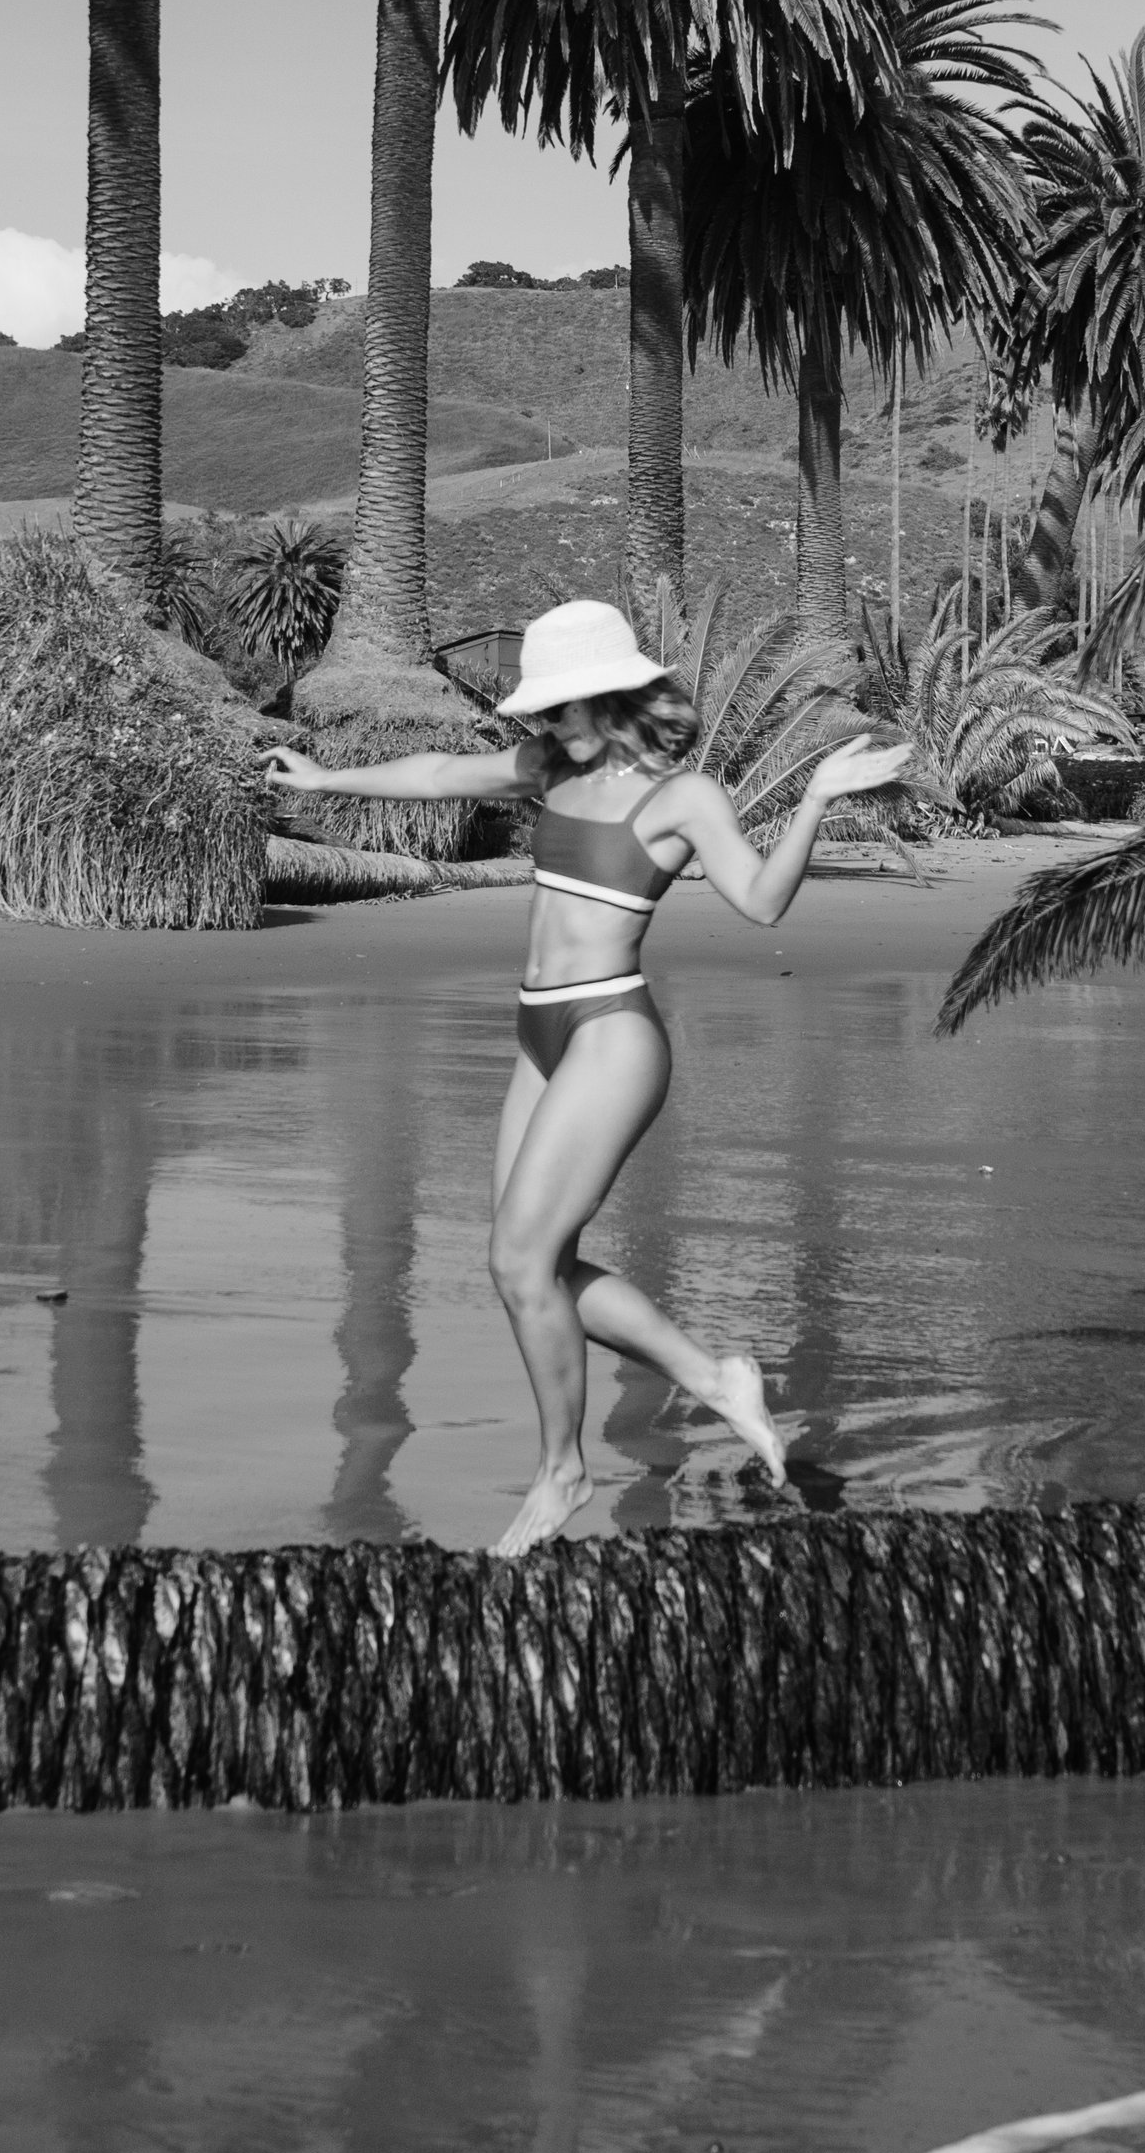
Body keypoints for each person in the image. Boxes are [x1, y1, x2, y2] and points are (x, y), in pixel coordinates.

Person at [263, 598, 909, 1555]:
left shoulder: (684, 796)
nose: (544, 721)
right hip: (539, 1031)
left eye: (559, 705)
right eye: (541, 708)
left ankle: (563, 1469)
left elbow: (763, 902)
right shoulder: (549, 766)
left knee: (522, 1263)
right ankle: (717, 1377)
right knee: (529, 1265)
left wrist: (814, 797)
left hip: (611, 1032)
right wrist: (326, 776)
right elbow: (439, 774)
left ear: (608, 697)